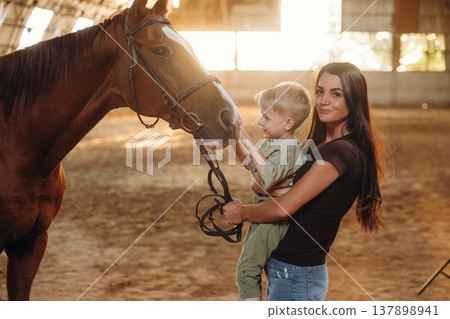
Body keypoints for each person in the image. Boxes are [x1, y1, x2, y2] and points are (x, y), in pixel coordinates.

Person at [223, 62, 383, 301]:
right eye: (320, 91)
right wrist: (235, 140)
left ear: (354, 99)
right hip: (283, 266)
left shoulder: (341, 152)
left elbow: (283, 208)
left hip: (297, 272)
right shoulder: (315, 143)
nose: (324, 100)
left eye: (336, 94)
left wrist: (244, 212)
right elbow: (268, 178)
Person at [233, 82, 311, 301]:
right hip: (262, 211)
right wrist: (233, 141)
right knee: (249, 267)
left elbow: (269, 176)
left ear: (288, 123)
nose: (260, 122)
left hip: (273, 220)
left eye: (266, 118)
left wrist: (248, 139)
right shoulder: (272, 142)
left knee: (247, 270)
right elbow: (250, 163)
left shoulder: (290, 149)